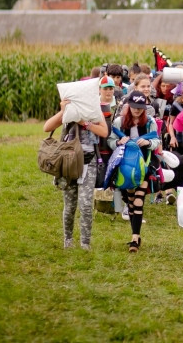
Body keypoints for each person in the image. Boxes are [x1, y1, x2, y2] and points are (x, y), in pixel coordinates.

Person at [42, 100, 109, 251]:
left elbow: (104, 132)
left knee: (86, 205)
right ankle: (68, 239)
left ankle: (85, 243)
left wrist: (85, 123)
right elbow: (47, 127)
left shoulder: (94, 110)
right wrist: (63, 111)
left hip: (88, 161)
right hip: (68, 162)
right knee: (70, 205)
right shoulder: (68, 111)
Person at [110, 91, 162, 253]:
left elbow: (156, 141)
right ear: (129, 106)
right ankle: (136, 236)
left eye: (140, 108)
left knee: (139, 199)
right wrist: (119, 141)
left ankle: (134, 238)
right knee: (131, 201)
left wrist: (147, 142)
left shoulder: (150, 122)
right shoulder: (119, 122)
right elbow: (110, 141)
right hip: (125, 166)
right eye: (134, 107)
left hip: (144, 165)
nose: (137, 110)